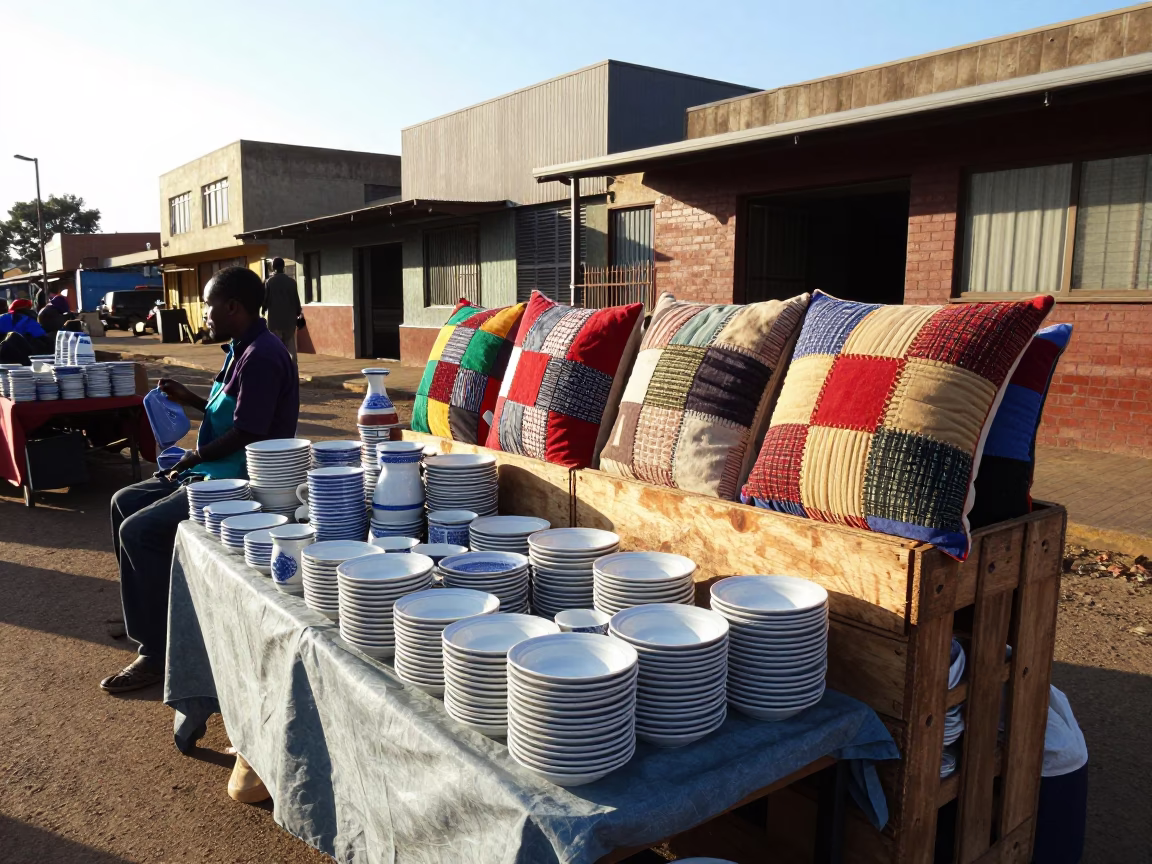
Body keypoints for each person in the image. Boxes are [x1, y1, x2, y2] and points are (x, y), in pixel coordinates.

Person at [101, 266, 299, 695]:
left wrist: (190, 455)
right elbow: (225, 410)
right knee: (122, 502)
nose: (203, 313)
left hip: (240, 480)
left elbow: (250, 431)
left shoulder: (263, 355)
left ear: (233, 307)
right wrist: (187, 398)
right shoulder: (240, 349)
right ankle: (144, 606)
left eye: (208, 305)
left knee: (141, 531)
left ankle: (155, 652)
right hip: (212, 468)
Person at [261, 257, 301, 367]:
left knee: (276, 349)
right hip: (290, 322)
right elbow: (296, 301)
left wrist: (263, 311)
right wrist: (298, 313)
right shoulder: (292, 282)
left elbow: (265, 301)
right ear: (283, 267)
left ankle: (279, 371)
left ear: (273, 267)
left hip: (274, 322)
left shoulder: (270, 282)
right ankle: (293, 372)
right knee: (291, 349)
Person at [0, 298, 51, 363]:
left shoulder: (2, 317)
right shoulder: (30, 319)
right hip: (25, 356)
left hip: (4, 354)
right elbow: (42, 336)